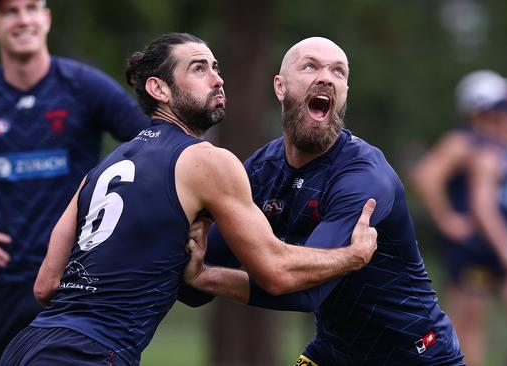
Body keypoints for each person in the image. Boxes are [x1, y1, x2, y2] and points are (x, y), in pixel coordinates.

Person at [0, 32, 378, 366]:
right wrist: (352, 256)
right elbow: (275, 271)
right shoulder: (206, 160)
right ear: (158, 89)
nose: (217, 79)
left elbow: (46, 286)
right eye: (199, 69)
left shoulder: (101, 169)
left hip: (29, 344)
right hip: (87, 353)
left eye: (215, 67)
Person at [180, 37, 465, 365]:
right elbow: (196, 276)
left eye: (338, 72)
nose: (326, 77)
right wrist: (183, 266)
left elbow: (303, 291)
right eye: (310, 66)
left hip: (415, 355)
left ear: (344, 94)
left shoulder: (364, 176)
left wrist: (205, 277)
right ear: (280, 87)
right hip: (335, 351)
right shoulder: (263, 169)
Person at [0, 0, 151, 364]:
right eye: (10, 11)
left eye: (32, 8)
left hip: (76, 277)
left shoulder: (85, 86)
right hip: (8, 279)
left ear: (46, 19)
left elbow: (150, 145)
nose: (23, 19)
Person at [412, 71, 507, 366]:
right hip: (474, 249)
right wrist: (447, 218)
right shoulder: (464, 142)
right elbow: (426, 176)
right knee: (469, 325)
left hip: (501, 243)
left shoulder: (502, 144)